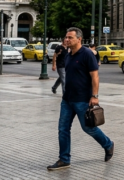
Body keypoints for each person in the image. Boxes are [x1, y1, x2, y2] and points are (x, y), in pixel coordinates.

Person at [48, 28, 113, 171]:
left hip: (82, 99)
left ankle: (108, 144)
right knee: (63, 129)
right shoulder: (68, 54)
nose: (67, 40)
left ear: (79, 39)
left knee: (88, 128)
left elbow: (95, 76)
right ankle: (64, 159)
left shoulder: (87, 54)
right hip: (67, 99)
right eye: (66, 37)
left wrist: (94, 96)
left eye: (70, 37)